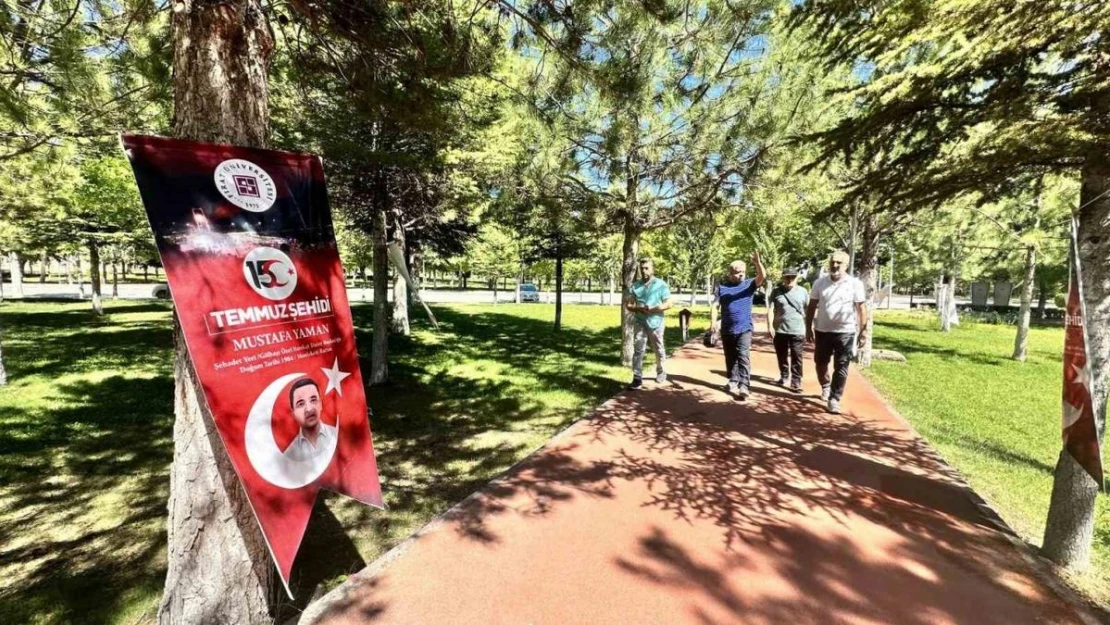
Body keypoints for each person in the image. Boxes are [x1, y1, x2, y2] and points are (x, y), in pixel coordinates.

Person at [805, 251, 868, 414]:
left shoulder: (855, 284)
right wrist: (808, 327)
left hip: (845, 331)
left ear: (846, 265)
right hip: (822, 331)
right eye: (832, 262)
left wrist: (863, 332)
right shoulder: (819, 283)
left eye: (839, 263)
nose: (834, 265)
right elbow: (811, 306)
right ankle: (825, 386)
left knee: (841, 365)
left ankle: (834, 398)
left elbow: (861, 308)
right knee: (820, 363)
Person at [710, 252, 766, 400]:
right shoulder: (722, 288)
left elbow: (762, 277)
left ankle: (744, 385)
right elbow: (715, 305)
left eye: (742, 272)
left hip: (744, 328)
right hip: (727, 328)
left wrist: (757, 263)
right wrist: (713, 322)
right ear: (730, 273)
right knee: (730, 357)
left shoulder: (749, 285)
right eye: (736, 272)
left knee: (743, 356)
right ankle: (733, 380)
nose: (740, 275)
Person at [625, 258, 672, 389]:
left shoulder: (661, 284)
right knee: (638, 349)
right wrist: (638, 309)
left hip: (656, 322)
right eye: (642, 268)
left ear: (653, 269)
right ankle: (637, 377)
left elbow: (669, 304)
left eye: (647, 268)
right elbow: (629, 304)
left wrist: (654, 309)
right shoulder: (635, 286)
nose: (644, 271)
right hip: (640, 321)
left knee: (658, 347)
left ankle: (661, 370)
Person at [768, 267, 807, 393]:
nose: (789, 279)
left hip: (798, 330)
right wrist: (769, 325)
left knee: (797, 356)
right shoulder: (776, 292)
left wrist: (809, 327)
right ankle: (784, 375)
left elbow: (808, 311)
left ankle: (796, 381)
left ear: (797, 278)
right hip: (780, 330)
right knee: (782, 356)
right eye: (787, 276)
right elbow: (770, 309)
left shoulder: (803, 292)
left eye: (792, 277)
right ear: (783, 277)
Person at [284, 377, 338, 463]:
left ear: (320, 404)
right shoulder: (289, 456)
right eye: (301, 404)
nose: (308, 409)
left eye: (313, 400)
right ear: (293, 413)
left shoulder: (339, 435)